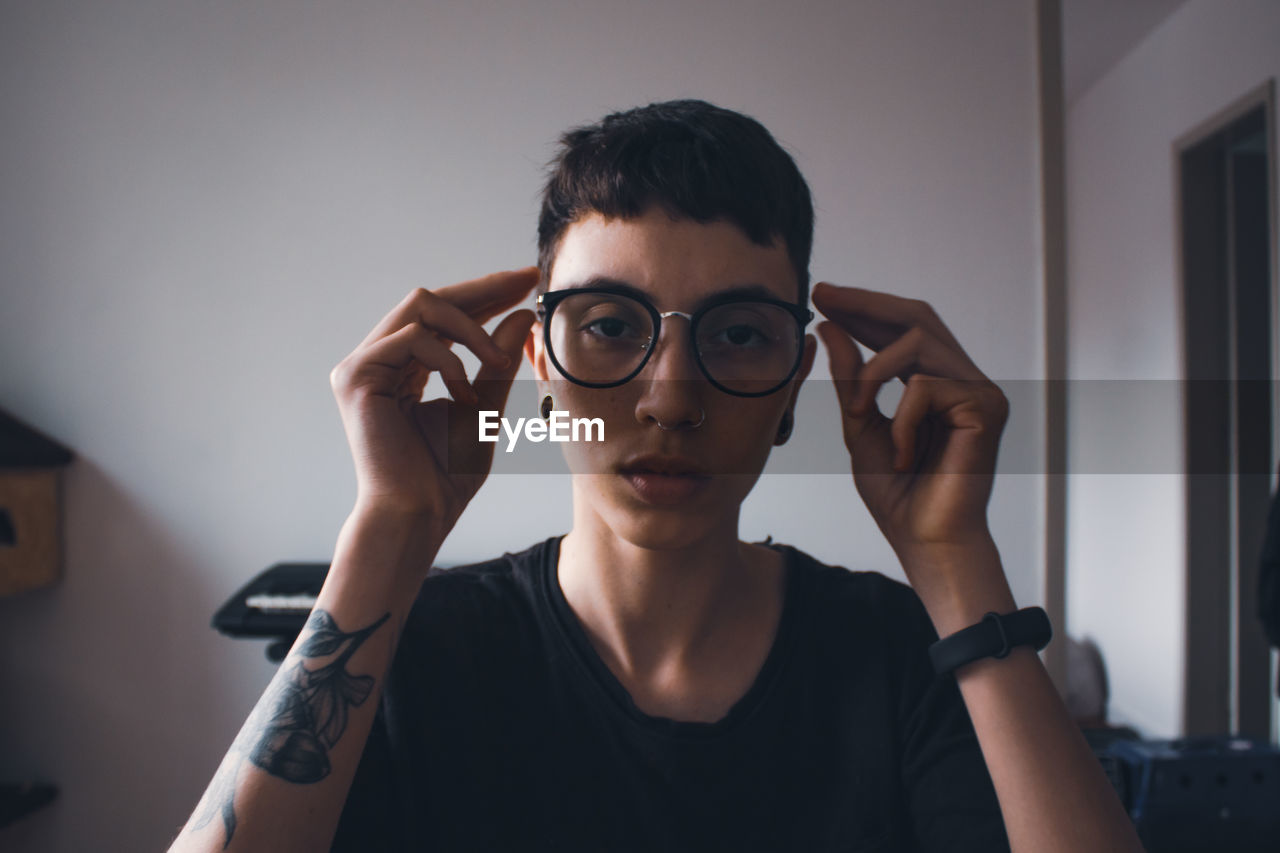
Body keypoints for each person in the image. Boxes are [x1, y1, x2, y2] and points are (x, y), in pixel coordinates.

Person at [169, 99, 1143, 852]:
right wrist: (385, 530)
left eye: (736, 334)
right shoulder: (413, 653)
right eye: (607, 325)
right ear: (539, 363)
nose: (670, 398)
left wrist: (952, 558)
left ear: (794, 380)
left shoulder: (898, 659)